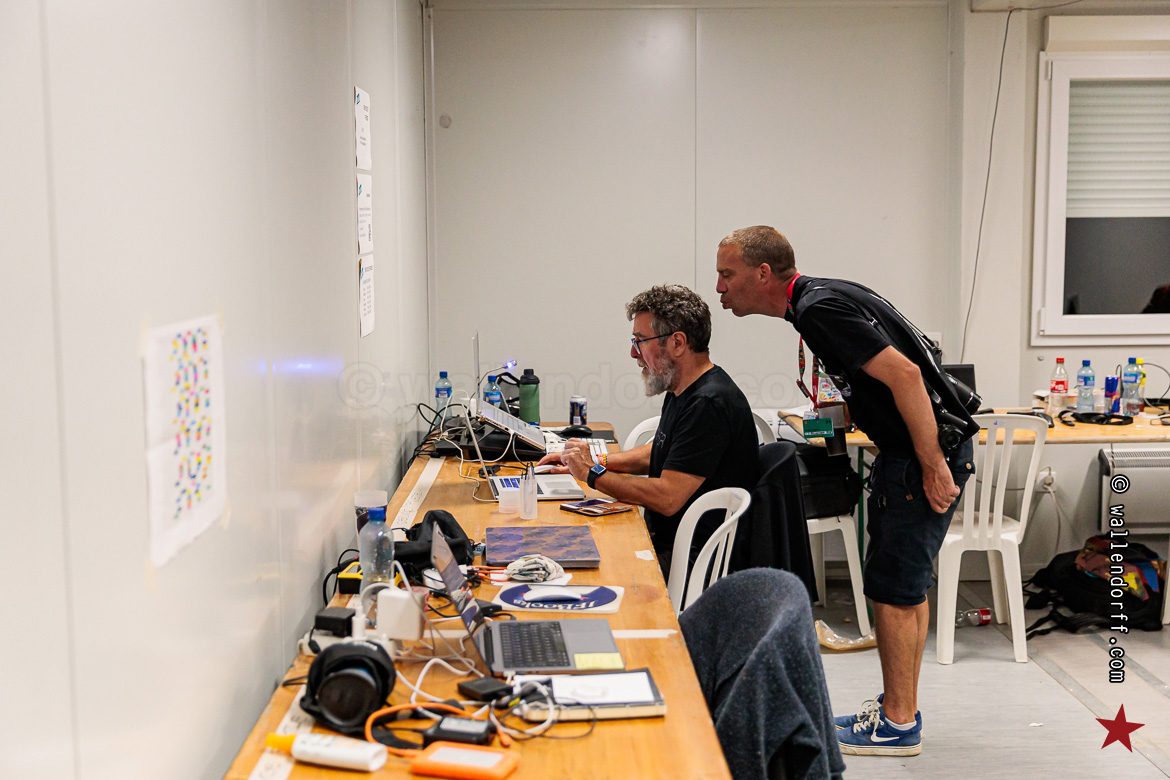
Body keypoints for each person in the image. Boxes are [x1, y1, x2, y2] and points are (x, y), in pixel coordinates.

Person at [715, 226, 977, 758]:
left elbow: (906, 375)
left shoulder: (817, 309)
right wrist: (846, 413)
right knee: (904, 589)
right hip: (921, 450)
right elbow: (881, 376)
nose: (719, 287)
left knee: (892, 592)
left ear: (762, 274)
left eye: (727, 274)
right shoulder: (823, 296)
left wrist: (931, 464)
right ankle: (899, 709)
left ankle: (898, 724)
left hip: (920, 455)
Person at [538, 284, 759, 575]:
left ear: (677, 343)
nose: (633, 352)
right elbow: (664, 451)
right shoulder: (682, 389)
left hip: (691, 561)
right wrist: (593, 461)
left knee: (574, 563)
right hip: (668, 544)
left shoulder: (709, 404)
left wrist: (592, 473)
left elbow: (667, 498)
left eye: (640, 340)